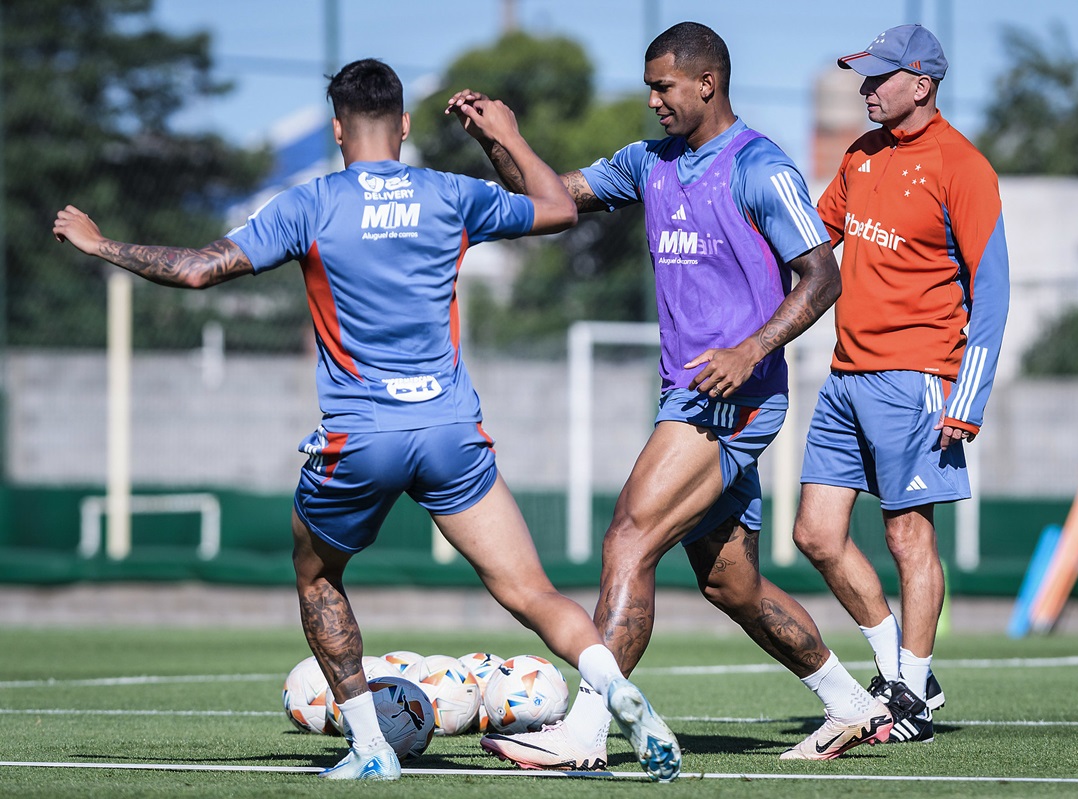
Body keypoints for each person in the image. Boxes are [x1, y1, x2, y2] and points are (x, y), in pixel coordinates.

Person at [54, 58, 682, 782]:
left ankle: (371, 744)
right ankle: (615, 685)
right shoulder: (449, 195)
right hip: (450, 430)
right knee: (531, 590)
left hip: (361, 436)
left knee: (318, 574)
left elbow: (198, 268)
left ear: (336, 128)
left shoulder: (310, 203)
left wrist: (101, 244)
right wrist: (501, 135)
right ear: (406, 126)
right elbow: (558, 207)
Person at [449, 21, 892, 766]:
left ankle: (587, 731)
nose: (653, 99)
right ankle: (848, 701)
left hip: (737, 396)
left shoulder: (760, 166)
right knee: (732, 583)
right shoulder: (646, 162)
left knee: (629, 535)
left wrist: (751, 347)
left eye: (664, 86)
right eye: (649, 86)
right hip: (688, 398)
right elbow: (550, 202)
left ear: (706, 83)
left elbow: (823, 274)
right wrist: (502, 139)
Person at [791, 24, 1010, 743]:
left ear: (921, 84)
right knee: (816, 534)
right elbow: (813, 240)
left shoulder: (963, 166)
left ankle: (909, 691)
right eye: (863, 75)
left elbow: (994, 292)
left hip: (917, 379)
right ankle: (900, 668)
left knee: (907, 535)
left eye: (880, 77)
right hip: (845, 376)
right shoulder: (860, 156)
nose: (865, 88)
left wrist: (967, 398)